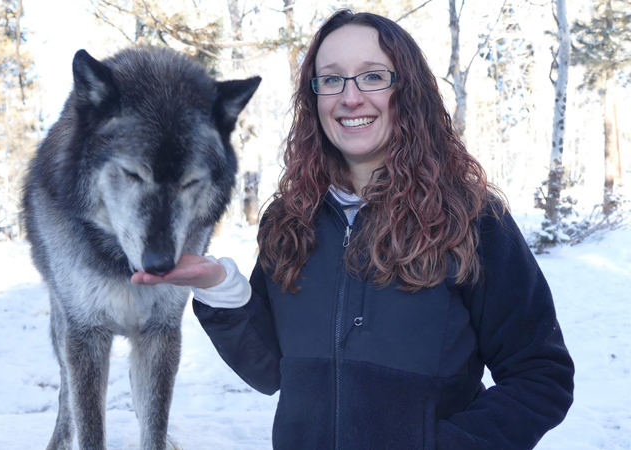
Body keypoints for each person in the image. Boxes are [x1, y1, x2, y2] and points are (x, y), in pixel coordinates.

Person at [131, 9, 574, 450]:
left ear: (408, 89)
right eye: (332, 78)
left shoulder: (474, 220)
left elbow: (540, 375)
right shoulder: (290, 221)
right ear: (315, 97)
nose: (350, 97)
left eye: (373, 76)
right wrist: (219, 288)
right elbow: (269, 370)